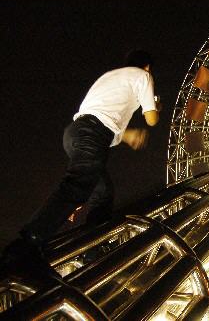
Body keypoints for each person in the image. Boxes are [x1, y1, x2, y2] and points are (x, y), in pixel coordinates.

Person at [1, 50, 160, 269]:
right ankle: (28, 244)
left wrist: (128, 135)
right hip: (92, 135)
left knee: (102, 193)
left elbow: (103, 115)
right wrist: (155, 107)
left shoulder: (111, 77)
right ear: (147, 67)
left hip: (77, 132)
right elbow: (151, 120)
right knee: (78, 185)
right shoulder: (142, 76)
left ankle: (91, 248)